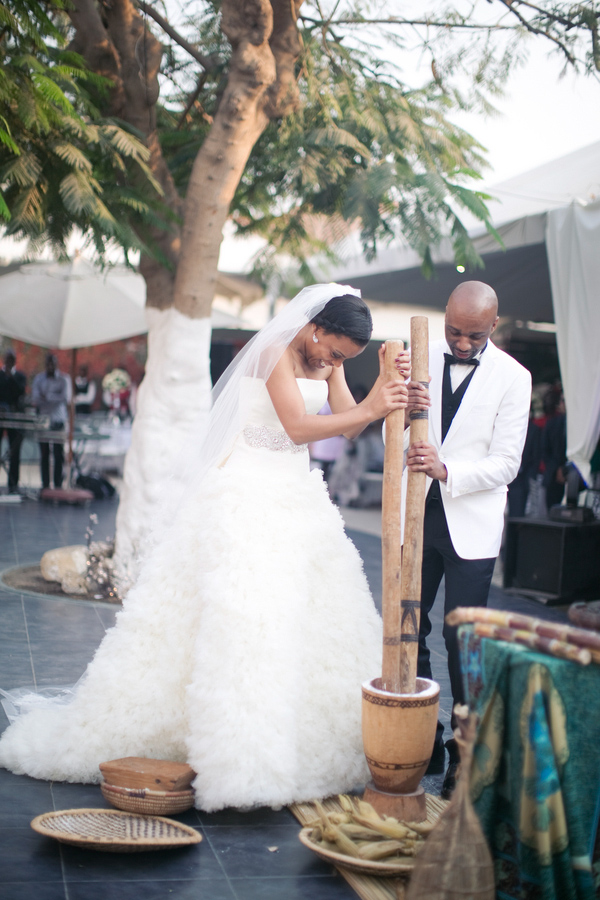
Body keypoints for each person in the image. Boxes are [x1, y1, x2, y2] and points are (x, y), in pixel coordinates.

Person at [0, 284, 409, 812]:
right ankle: (233, 751)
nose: (333, 363)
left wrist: (382, 390)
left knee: (306, 618)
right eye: (333, 352)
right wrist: (373, 402)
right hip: (245, 492)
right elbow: (298, 426)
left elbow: (350, 427)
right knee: (242, 616)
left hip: (296, 496)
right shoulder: (272, 351)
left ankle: (298, 742)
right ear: (314, 326)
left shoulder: (329, 363)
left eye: (343, 361)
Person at [404, 281, 531, 798]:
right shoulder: (419, 357)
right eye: (454, 330)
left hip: (471, 526)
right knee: (408, 627)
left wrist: (447, 469)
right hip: (416, 515)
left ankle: (463, 751)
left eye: (473, 335)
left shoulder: (514, 378)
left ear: (493, 327)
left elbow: (507, 464)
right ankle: (422, 733)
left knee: (463, 640)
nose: (460, 342)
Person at [31, 353, 72, 490]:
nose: (50, 366)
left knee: (58, 453)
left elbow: (65, 398)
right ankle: (45, 485)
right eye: (47, 363)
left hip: (58, 419)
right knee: (44, 454)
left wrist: (47, 397)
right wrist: (53, 398)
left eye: (52, 363)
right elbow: (36, 398)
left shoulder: (64, 379)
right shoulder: (39, 379)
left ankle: (58, 485)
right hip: (43, 420)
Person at [0, 350, 27, 493]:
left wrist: (11, 377)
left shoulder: (20, 377)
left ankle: (13, 484)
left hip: (15, 418)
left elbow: (20, 393)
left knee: (14, 452)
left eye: (12, 359)